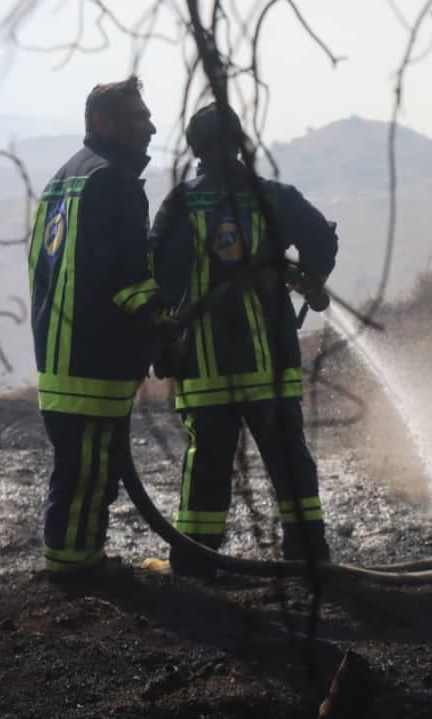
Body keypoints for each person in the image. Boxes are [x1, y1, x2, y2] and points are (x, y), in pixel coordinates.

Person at [148, 102, 338, 579]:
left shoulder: (181, 204)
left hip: (206, 369)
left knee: (207, 469)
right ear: (239, 142)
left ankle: (195, 566)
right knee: (290, 462)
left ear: (195, 149)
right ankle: (309, 558)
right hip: (270, 365)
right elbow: (321, 240)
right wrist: (311, 279)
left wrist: (163, 339)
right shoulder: (273, 197)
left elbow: (158, 277)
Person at [27, 76, 159, 581]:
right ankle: (76, 567)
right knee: (90, 471)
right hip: (95, 356)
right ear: (104, 123)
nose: (151, 128)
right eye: (139, 117)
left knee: (80, 463)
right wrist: (163, 326)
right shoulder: (114, 182)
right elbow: (127, 279)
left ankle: (73, 558)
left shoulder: (61, 181)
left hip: (58, 353)